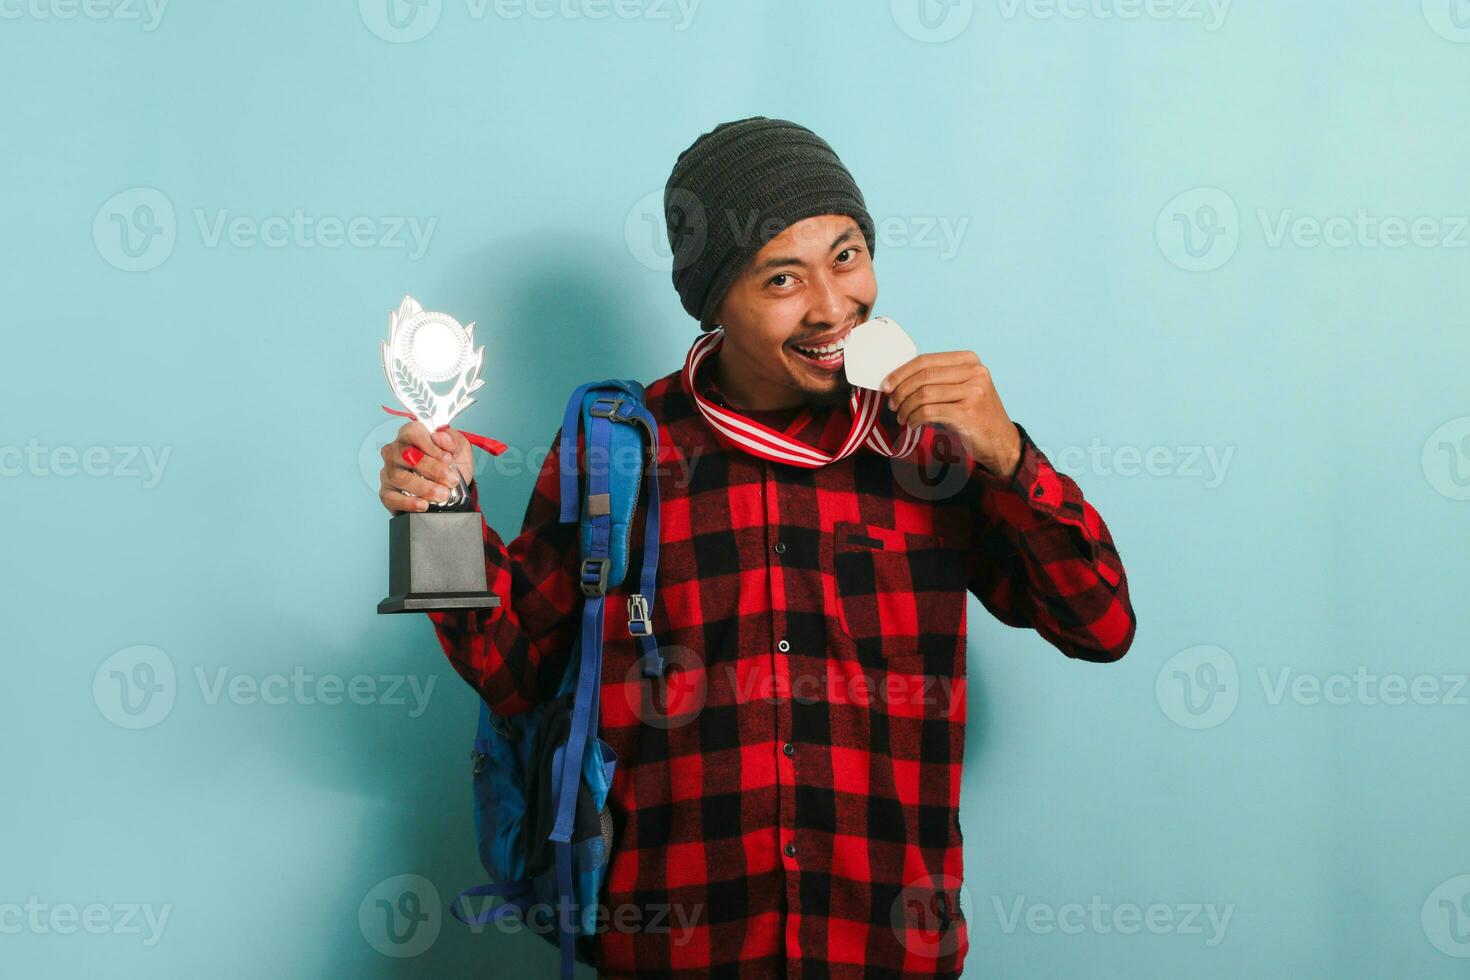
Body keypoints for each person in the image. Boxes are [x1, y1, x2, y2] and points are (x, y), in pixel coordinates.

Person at [377, 116, 1136, 978]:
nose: (832, 306)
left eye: (847, 257)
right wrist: (434, 517)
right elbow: (511, 668)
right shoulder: (621, 445)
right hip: (676, 950)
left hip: (882, 949)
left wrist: (1010, 455)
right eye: (783, 277)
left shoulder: (931, 445)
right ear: (715, 301)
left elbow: (1101, 624)